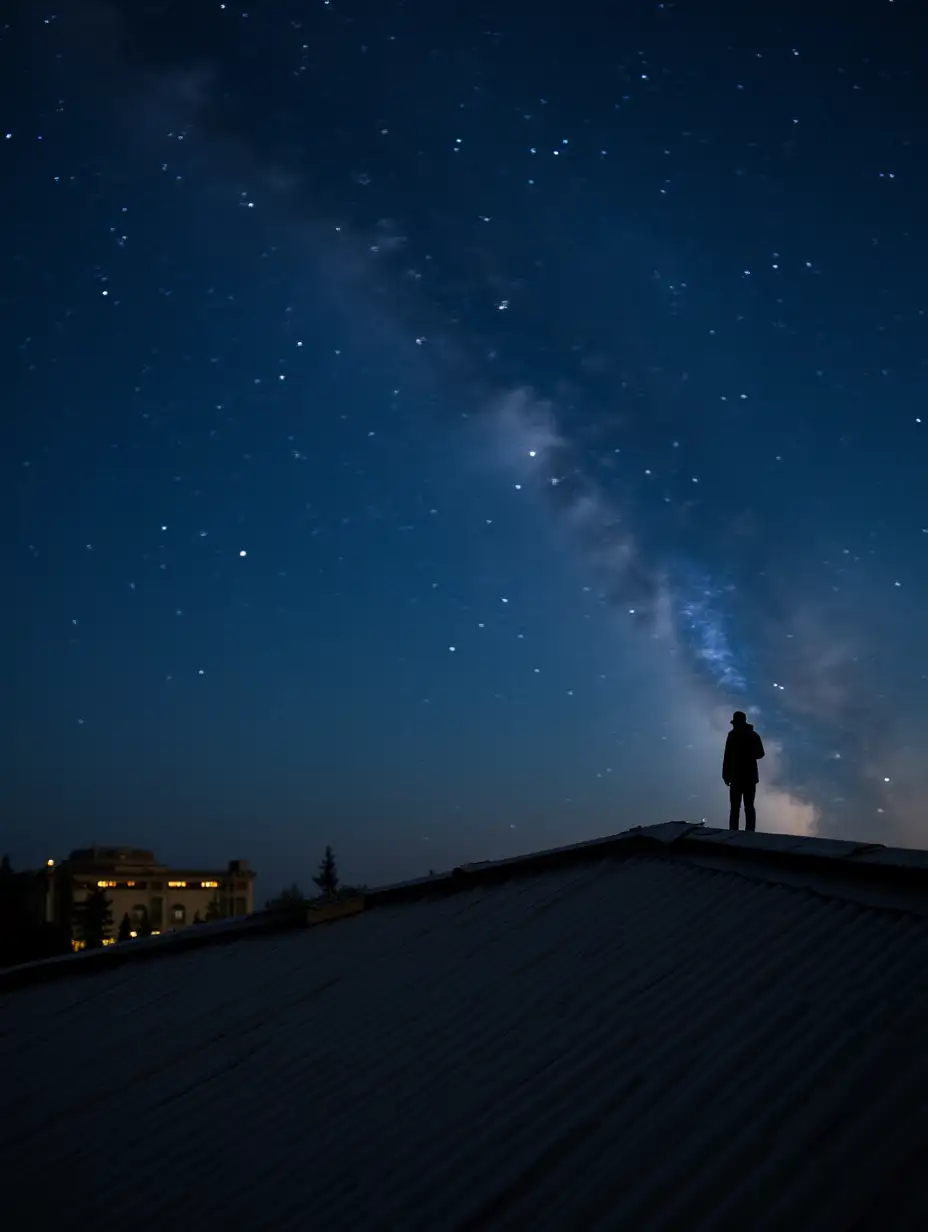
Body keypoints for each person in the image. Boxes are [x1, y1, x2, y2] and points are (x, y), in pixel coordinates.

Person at [722, 710, 765, 831]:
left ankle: (746, 832)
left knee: (746, 806)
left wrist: (726, 774)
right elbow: (727, 756)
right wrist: (725, 774)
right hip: (740, 777)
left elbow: (760, 753)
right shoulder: (736, 735)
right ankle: (738, 831)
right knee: (739, 807)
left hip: (745, 777)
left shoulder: (750, 735)